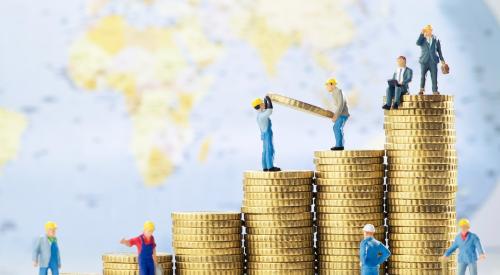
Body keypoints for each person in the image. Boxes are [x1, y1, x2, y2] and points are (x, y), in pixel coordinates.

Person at [252, 95, 280, 172]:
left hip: (264, 134)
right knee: (269, 150)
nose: (264, 105)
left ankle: (265, 166)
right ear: (260, 106)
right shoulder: (262, 116)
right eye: (262, 104)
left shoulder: (259, 115)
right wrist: (269, 101)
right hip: (267, 134)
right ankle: (270, 167)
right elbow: (269, 111)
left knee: (265, 151)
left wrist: (265, 102)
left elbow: (265, 111)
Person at [416, 24, 446, 95]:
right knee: (423, 76)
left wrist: (442, 61)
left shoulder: (436, 39)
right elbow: (417, 43)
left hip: (433, 61)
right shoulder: (422, 39)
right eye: (427, 30)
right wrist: (421, 33)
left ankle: (435, 90)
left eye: (429, 30)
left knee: (434, 76)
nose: (428, 31)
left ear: (431, 30)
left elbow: (439, 51)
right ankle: (421, 90)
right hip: (424, 60)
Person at [325, 78, 349, 150]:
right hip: (341, 114)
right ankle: (339, 144)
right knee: (337, 128)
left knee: (336, 127)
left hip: (342, 114)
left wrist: (336, 115)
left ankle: (339, 145)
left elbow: (341, 104)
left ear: (332, 85)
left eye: (327, 85)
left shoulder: (337, 92)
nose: (326, 87)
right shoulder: (334, 92)